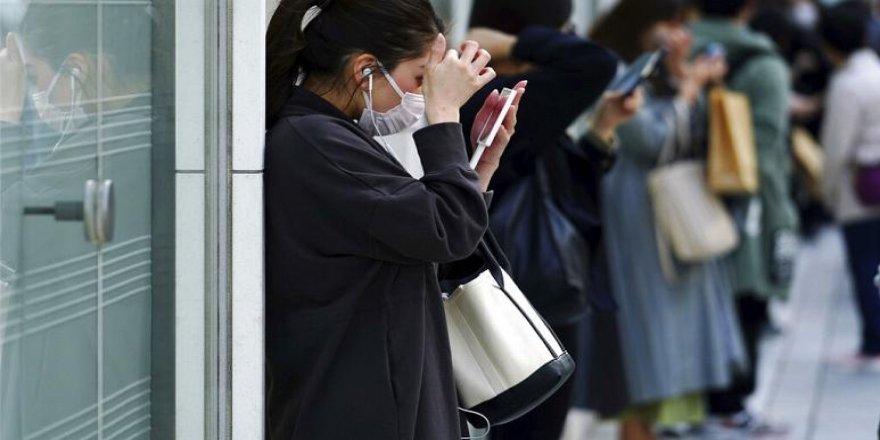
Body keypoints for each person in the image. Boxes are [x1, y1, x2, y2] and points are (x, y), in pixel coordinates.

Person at [263, 1, 525, 439]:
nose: (422, 96)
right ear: (365, 69)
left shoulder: (329, 136)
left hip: (371, 396)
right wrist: (443, 118)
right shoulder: (317, 142)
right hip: (363, 405)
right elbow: (444, 232)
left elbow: (425, 240)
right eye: (421, 78)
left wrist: (479, 164)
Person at [461, 1, 635, 439]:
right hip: (523, 289)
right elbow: (596, 63)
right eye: (564, 32)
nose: (570, 41)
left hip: (526, 284)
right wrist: (520, 46)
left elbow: (554, 180)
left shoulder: (512, 93)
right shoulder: (499, 94)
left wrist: (602, 132)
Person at [586, 1, 747, 439]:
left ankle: (652, 425)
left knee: (664, 327)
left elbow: (684, 131)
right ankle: (638, 427)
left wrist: (681, 74)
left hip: (657, 210)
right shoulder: (615, 67)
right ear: (642, 22)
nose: (677, 34)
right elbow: (651, 139)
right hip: (636, 213)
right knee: (644, 328)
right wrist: (690, 85)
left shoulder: (650, 68)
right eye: (670, 23)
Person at [0, 3, 155, 438]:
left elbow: (12, 231)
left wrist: (6, 119)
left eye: (33, 77)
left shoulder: (117, 147)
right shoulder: (133, 138)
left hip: (82, 401)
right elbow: (91, 227)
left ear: (80, 67)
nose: (36, 98)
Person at [691, 0, 800, 435]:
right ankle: (732, 404)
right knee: (749, 297)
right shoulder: (763, 61)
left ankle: (701, 402)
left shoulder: (678, 46)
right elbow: (768, 150)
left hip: (680, 195)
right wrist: (782, 214)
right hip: (748, 202)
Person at [818, 0, 880, 370]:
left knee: (863, 263)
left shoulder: (846, 84)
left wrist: (826, 190)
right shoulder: (877, 70)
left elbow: (836, 147)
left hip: (860, 186)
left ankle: (873, 341)